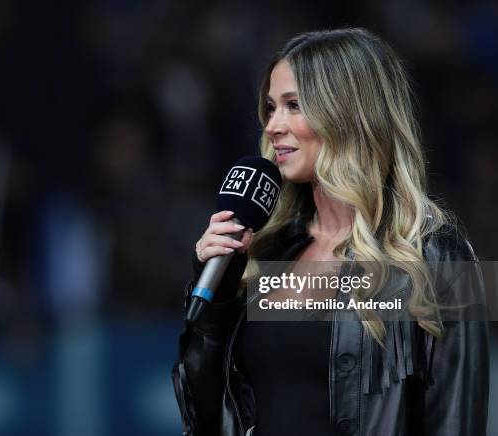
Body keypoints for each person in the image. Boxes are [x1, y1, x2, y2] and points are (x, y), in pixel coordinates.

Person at [172, 28, 489, 436]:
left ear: (349, 114)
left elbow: (456, 421)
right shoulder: (269, 251)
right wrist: (214, 303)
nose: (273, 126)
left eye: (293, 106)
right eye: (270, 108)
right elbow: (202, 417)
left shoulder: (435, 258)